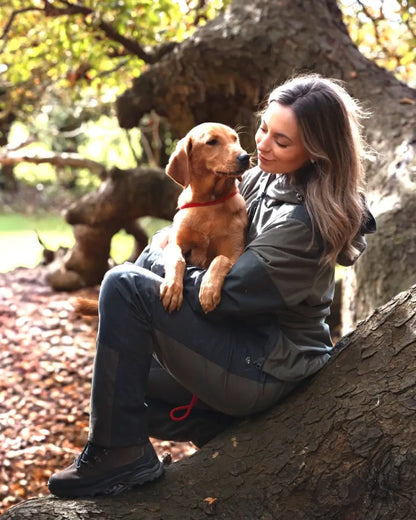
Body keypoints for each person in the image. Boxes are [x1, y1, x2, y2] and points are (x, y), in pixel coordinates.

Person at [48, 73, 376, 498]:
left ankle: (119, 453)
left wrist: (163, 258)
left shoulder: (307, 222)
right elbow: (186, 231)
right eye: (263, 129)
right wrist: (167, 251)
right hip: (240, 342)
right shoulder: (261, 177)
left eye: (282, 141)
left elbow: (227, 296)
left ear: (316, 151)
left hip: (269, 364)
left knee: (125, 285)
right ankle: (214, 429)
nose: (261, 145)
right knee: (120, 374)